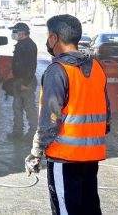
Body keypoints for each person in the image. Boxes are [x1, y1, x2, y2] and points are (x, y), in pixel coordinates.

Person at [25, 15, 110, 215]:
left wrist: (36, 152)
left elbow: (50, 120)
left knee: (66, 210)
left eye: (48, 36)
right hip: (91, 156)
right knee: (90, 208)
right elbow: (106, 113)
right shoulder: (97, 67)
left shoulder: (57, 70)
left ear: (54, 38)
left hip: (66, 157)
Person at [7, 22, 38, 141]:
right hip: (18, 80)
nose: (13, 33)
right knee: (17, 107)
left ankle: (33, 134)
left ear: (22, 32)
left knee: (29, 108)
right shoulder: (20, 44)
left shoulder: (29, 45)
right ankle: (17, 132)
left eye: (15, 31)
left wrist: (25, 83)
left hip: (26, 82)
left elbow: (31, 66)